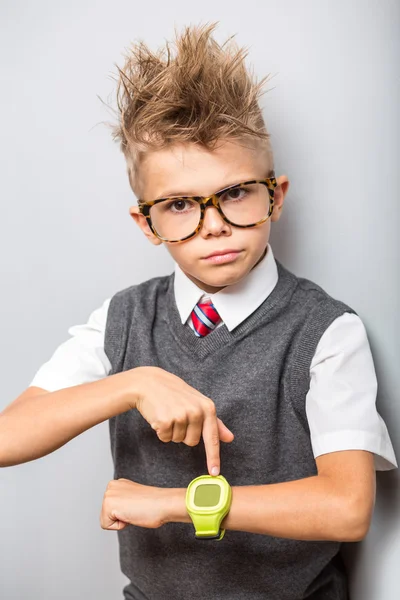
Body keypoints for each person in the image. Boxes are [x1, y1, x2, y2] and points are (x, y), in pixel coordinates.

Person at [0, 21, 397, 600]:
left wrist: (174, 505)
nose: (214, 225)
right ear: (148, 223)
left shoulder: (327, 331)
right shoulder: (122, 321)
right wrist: (130, 385)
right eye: (181, 204)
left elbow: (347, 507)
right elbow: (7, 437)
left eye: (236, 193)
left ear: (276, 196)